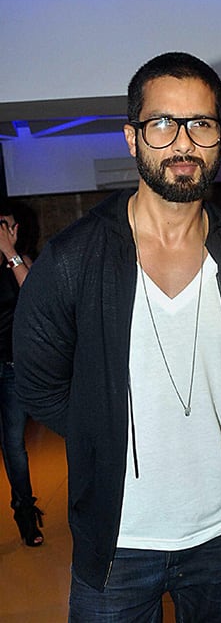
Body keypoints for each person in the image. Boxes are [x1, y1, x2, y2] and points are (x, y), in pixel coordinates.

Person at [13, 52, 221, 622]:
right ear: (133, 139)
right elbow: (40, 385)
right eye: (162, 124)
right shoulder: (73, 259)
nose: (183, 142)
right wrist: (104, 430)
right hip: (119, 539)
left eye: (200, 124)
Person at [0, 200, 43, 546]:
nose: (7, 233)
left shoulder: (23, 262)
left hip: (13, 371)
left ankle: (25, 512)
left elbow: (37, 303)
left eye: (10, 227)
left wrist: (10, 254)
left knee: (14, 444)